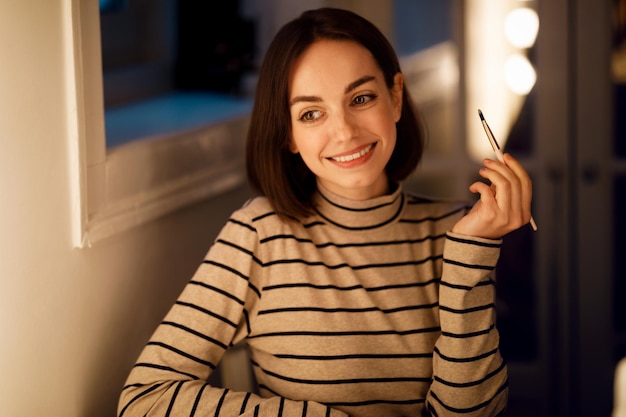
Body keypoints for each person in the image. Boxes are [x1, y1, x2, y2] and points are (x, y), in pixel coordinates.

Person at [118, 7, 532, 417]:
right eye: (311, 113)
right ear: (289, 134)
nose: (345, 131)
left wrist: (470, 253)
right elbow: (145, 398)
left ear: (395, 97)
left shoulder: (458, 235)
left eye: (362, 97)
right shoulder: (258, 237)